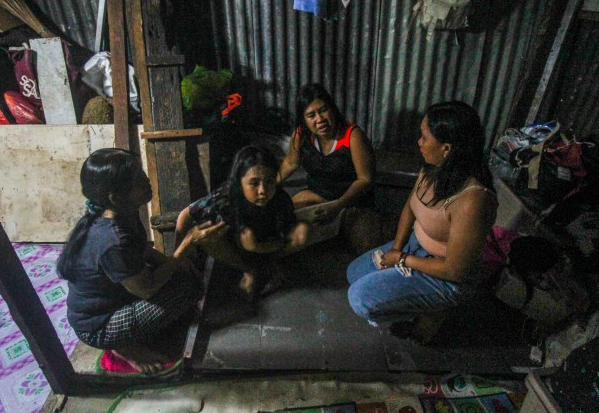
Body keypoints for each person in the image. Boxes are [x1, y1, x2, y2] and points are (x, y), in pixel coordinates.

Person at [58, 148, 220, 374]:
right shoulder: (111, 240)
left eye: (141, 173)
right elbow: (148, 289)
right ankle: (123, 347)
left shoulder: (124, 212)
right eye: (137, 180)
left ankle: (135, 335)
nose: (146, 180)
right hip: (98, 326)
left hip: (117, 298)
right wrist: (186, 245)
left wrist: (174, 264)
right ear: (116, 196)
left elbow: (142, 250)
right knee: (188, 289)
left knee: (185, 274)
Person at [346, 101, 497, 343]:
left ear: (446, 148)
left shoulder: (472, 199)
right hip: (415, 247)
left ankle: (433, 310)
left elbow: (455, 270)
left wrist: (403, 260)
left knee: (360, 299)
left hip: (444, 274)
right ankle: (414, 296)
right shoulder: (433, 168)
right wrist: (396, 248)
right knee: (354, 273)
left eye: (424, 137)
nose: (419, 142)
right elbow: (410, 207)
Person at [175, 145, 309, 299]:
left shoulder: (281, 199)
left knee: (303, 231)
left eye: (270, 181)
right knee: (206, 236)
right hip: (237, 251)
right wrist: (180, 263)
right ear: (239, 181)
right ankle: (250, 270)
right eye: (254, 183)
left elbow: (284, 236)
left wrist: (259, 247)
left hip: (268, 246)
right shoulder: (225, 196)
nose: (263, 191)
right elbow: (185, 215)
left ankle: (269, 265)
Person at [278, 83, 381, 253]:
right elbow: (290, 163)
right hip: (318, 196)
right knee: (283, 219)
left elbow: (365, 179)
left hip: (352, 203)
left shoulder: (352, 136)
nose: (320, 119)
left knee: (366, 246)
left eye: (323, 110)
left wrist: (339, 205)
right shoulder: (301, 135)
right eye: (311, 115)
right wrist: (270, 184)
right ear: (304, 119)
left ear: (332, 109)